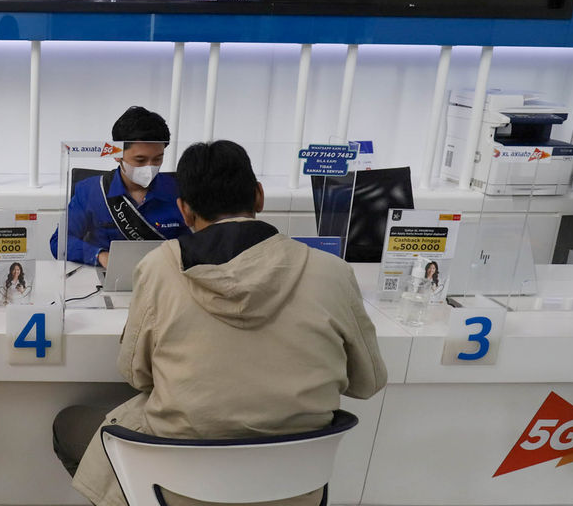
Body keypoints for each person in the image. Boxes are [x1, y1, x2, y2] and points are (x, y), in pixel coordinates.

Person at [53, 140, 387, 506]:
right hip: (294, 493)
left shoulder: (160, 268)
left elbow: (136, 374)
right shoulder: (332, 273)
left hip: (178, 492)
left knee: (70, 425)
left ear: (183, 209)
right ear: (259, 196)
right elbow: (368, 381)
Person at [49, 106, 186, 266]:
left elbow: (197, 241)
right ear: (117, 155)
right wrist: (100, 256)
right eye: (140, 160)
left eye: (157, 159)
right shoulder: (90, 191)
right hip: (106, 278)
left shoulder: (178, 190)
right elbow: (59, 242)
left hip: (165, 276)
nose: (150, 167)